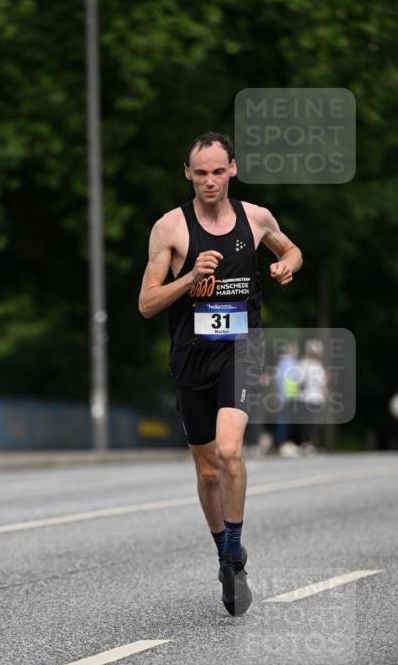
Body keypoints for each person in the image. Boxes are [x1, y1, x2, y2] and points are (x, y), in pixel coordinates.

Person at [138, 131, 303, 615]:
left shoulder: (256, 217)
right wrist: (189, 278)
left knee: (230, 451)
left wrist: (286, 266)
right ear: (187, 174)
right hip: (191, 356)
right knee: (207, 470)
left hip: (242, 347)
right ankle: (224, 555)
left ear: (232, 168)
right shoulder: (170, 228)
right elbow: (147, 303)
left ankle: (235, 548)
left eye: (218, 171)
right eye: (200, 173)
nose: (210, 181)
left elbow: (291, 250)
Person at [297, 338, 328, 453]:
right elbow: (299, 379)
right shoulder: (304, 363)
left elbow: (322, 383)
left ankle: (311, 443)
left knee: (314, 422)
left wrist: (325, 393)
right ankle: (306, 443)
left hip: (316, 398)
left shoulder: (318, 365)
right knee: (307, 421)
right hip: (307, 397)